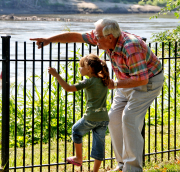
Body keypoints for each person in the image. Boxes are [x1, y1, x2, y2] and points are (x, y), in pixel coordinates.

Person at [30, 19, 164, 172]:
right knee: (113, 117)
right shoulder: (104, 36)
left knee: (129, 119)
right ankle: (122, 164)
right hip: (126, 80)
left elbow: (141, 79)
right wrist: (49, 40)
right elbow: (75, 37)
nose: (94, 38)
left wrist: (115, 84)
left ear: (109, 37)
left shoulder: (131, 46)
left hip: (147, 82)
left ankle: (132, 169)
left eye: (97, 36)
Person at [48, 54, 110, 172]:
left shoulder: (89, 81)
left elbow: (68, 88)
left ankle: (78, 158)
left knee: (76, 130)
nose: (79, 69)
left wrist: (56, 75)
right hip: (104, 118)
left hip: (91, 117)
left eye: (81, 66)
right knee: (99, 144)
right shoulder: (104, 80)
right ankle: (95, 171)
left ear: (89, 68)